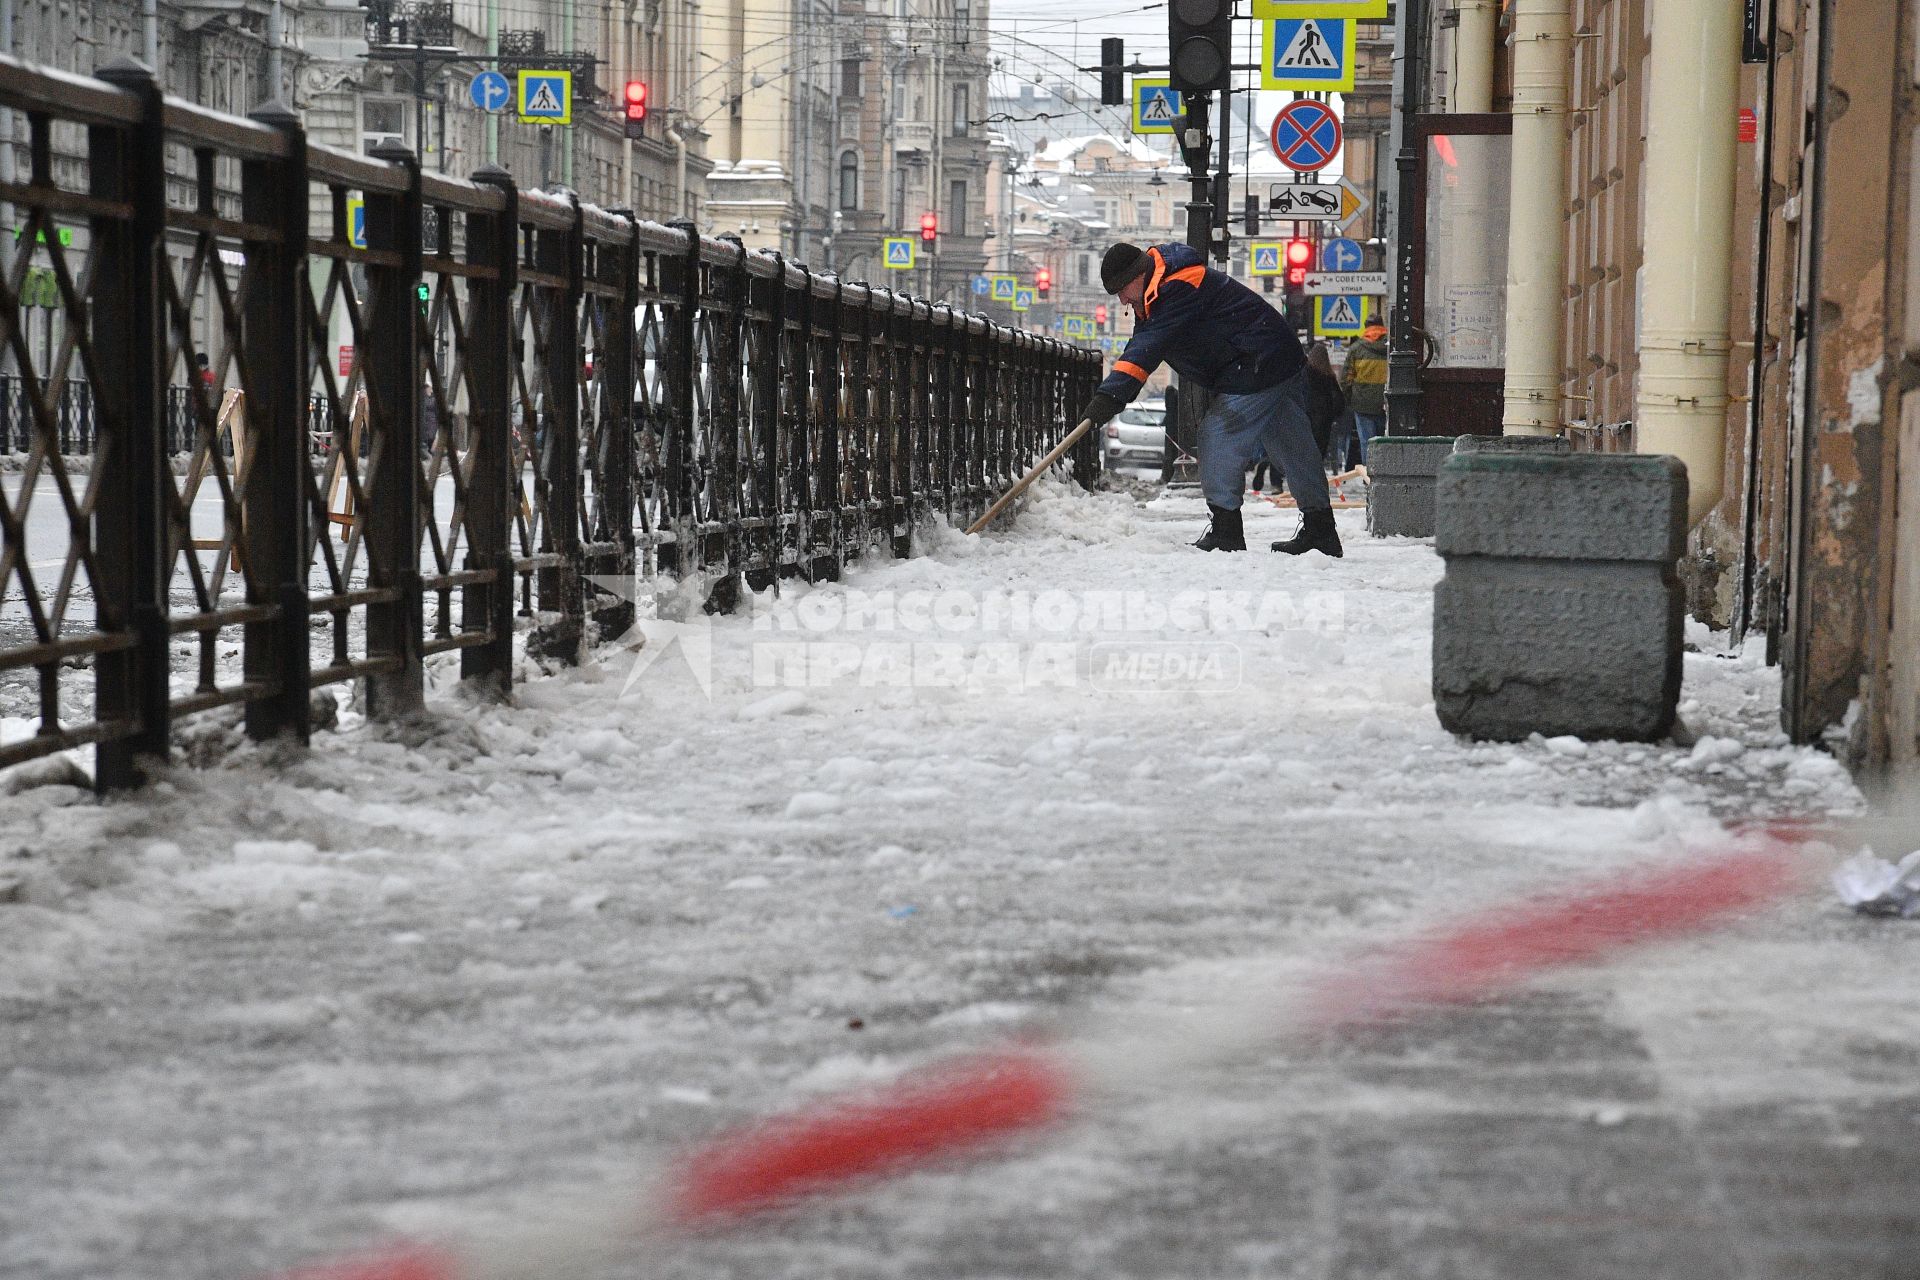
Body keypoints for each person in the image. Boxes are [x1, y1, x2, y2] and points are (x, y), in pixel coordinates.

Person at [1077, 241, 1341, 557]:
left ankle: (1226, 531)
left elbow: (1147, 347)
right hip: (1275, 357)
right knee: (1290, 442)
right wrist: (1111, 396)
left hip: (1256, 360)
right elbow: (1143, 344)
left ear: (1139, 273)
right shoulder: (1157, 294)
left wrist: (1108, 398)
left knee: (1218, 436)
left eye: (1121, 289)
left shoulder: (1178, 286)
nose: (1122, 298)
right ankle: (1321, 528)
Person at [1340, 318, 1389, 466]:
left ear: (1366, 327)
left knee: (1367, 443)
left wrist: (1350, 399)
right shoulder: (1390, 348)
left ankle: (1370, 477)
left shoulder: (1356, 349)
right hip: (1385, 403)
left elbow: (1346, 379)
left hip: (1362, 404)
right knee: (1383, 442)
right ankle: (1383, 473)